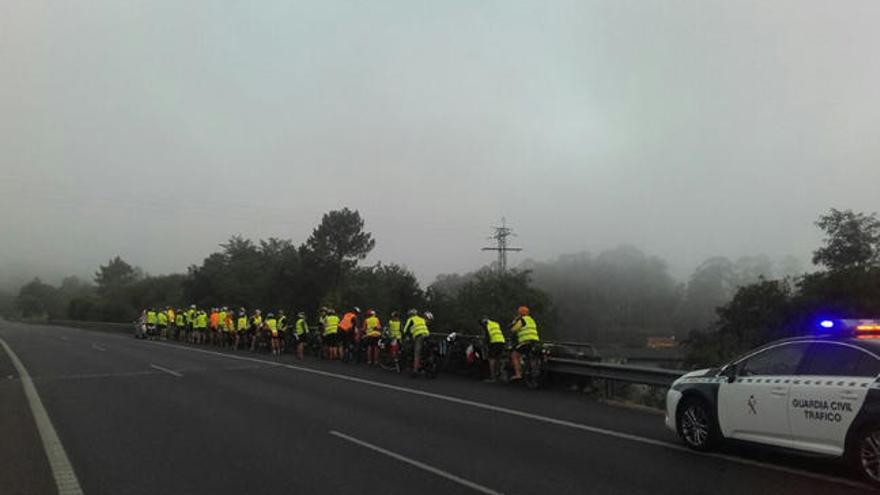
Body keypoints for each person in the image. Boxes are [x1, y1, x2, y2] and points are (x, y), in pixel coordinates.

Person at [509, 306, 540, 380]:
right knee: (528, 355)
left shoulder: (522, 320)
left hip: (526, 341)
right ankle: (530, 370)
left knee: (514, 355)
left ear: (520, 313)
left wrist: (513, 322)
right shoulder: (531, 320)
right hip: (534, 341)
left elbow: (513, 329)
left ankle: (518, 374)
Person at [403, 309, 430, 375]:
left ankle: (415, 370)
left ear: (410, 315)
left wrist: (405, 336)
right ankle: (424, 366)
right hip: (427, 335)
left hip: (419, 336)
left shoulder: (410, 319)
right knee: (424, 351)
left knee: (416, 353)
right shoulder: (421, 319)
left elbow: (405, 330)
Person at [481, 317, 505, 381]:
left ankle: (493, 377)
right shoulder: (495, 324)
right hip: (502, 341)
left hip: (495, 342)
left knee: (491, 359)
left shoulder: (487, 325)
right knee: (498, 358)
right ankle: (499, 375)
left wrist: (486, 344)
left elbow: (487, 336)